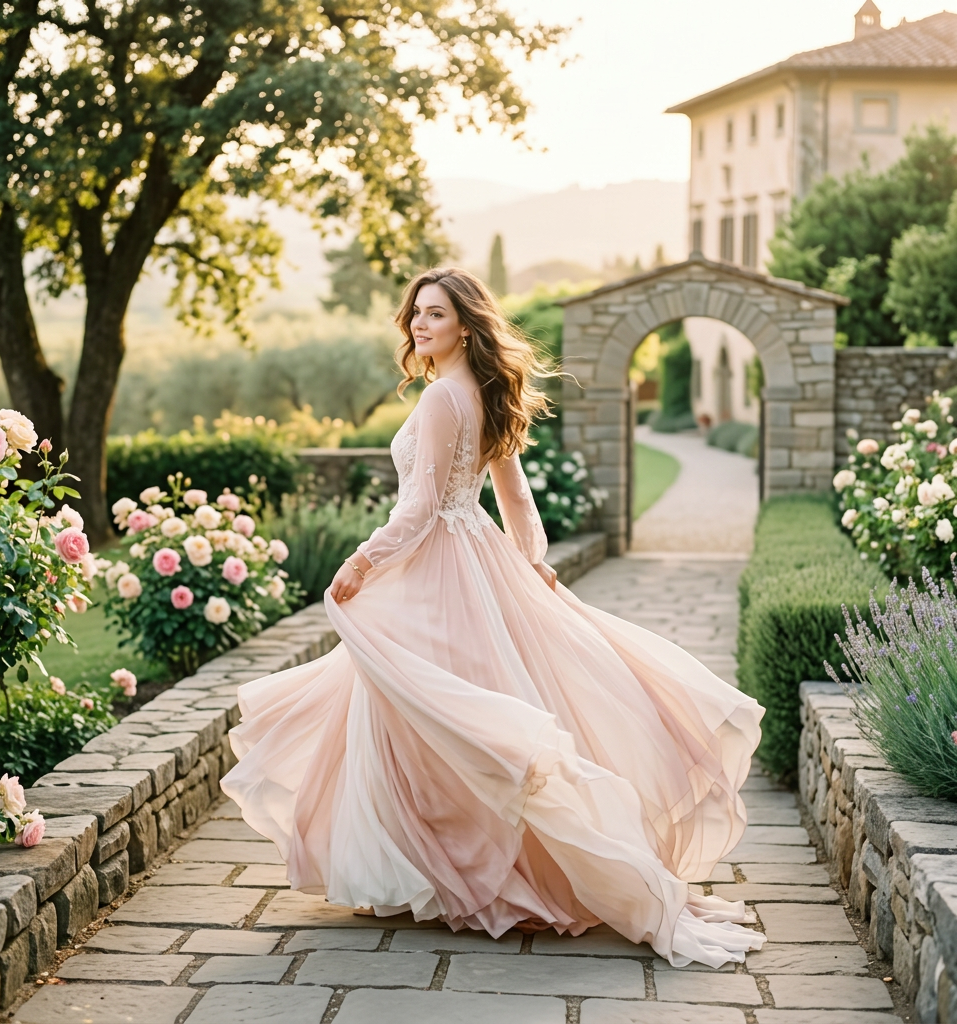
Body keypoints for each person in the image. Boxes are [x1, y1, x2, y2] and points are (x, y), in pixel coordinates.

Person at [221, 267, 766, 968]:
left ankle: (452, 870)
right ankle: (435, 867)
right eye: (416, 314)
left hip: (440, 568)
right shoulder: (483, 393)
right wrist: (529, 563)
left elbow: (421, 508)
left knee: (438, 711)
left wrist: (361, 561)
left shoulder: (444, 397)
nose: (419, 325)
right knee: (450, 708)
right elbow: (517, 503)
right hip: (474, 559)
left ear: (465, 326)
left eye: (435, 315)